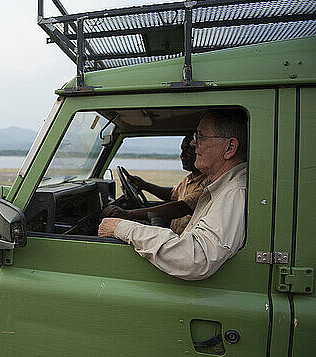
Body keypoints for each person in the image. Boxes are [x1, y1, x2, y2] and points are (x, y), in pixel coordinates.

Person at [98, 109, 248, 280]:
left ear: (229, 147)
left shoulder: (234, 192)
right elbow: (173, 194)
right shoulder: (217, 185)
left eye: (201, 136)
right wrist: (144, 185)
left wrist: (122, 226)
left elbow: (195, 258)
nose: (193, 143)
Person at [101, 134, 206, 235]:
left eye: (189, 150)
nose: (182, 155)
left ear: (200, 152)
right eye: (182, 150)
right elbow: (171, 194)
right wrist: (143, 185)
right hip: (173, 233)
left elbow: (180, 208)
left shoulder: (206, 184)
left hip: (181, 242)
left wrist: (127, 214)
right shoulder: (190, 179)